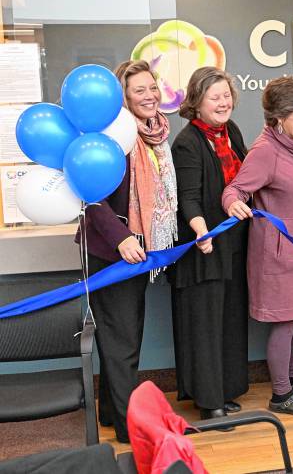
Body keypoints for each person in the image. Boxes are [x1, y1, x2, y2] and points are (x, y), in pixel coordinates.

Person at [76, 59, 178, 443]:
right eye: (140, 90)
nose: (150, 95)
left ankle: (109, 414)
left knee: (121, 337)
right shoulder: (111, 137)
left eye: (153, 87)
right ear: (123, 98)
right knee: (122, 343)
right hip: (111, 250)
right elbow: (90, 194)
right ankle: (126, 430)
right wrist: (121, 237)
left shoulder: (155, 134)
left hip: (139, 250)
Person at [222, 77, 293, 416]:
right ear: (280, 115)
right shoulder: (265, 151)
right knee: (285, 321)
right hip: (280, 255)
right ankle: (281, 394)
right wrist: (233, 204)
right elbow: (234, 190)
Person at [168, 67, 249, 420]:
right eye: (214, 97)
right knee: (204, 324)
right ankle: (209, 401)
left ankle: (226, 390)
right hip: (204, 248)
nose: (223, 102)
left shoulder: (231, 132)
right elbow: (188, 198)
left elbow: (247, 178)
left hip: (233, 245)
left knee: (229, 319)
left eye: (226, 95)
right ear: (196, 103)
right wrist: (202, 231)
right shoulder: (187, 142)